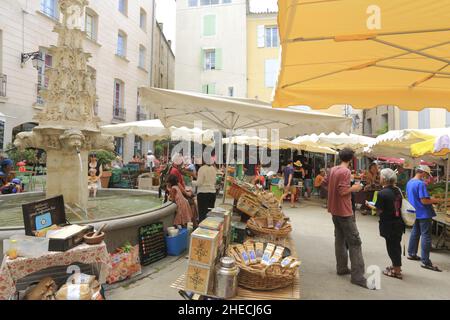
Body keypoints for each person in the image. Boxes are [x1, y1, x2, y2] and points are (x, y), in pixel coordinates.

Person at [323, 148, 368, 289]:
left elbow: (324, 183)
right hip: (344, 211)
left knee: (340, 239)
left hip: (334, 209)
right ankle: (358, 276)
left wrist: (333, 194)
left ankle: (341, 267)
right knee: (355, 242)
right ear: (351, 159)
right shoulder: (345, 171)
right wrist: (354, 188)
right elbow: (343, 191)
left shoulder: (333, 169)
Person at [366, 168, 405, 279]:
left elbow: (379, 210)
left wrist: (370, 205)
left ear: (384, 179)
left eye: (381, 176)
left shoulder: (382, 193)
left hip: (389, 224)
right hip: (398, 222)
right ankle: (396, 266)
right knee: (396, 246)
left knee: (392, 247)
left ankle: (396, 270)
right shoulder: (397, 190)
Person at [406, 165, 442, 272]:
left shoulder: (410, 182)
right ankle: (425, 261)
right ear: (422, 173)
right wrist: (437, 200)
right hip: (424, 212)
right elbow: (424, 201)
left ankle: (412, 253)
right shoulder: (420, 184)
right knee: (426, 236)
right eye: (426, 175)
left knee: (415, 232)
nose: (426, 177)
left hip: (414, 211)